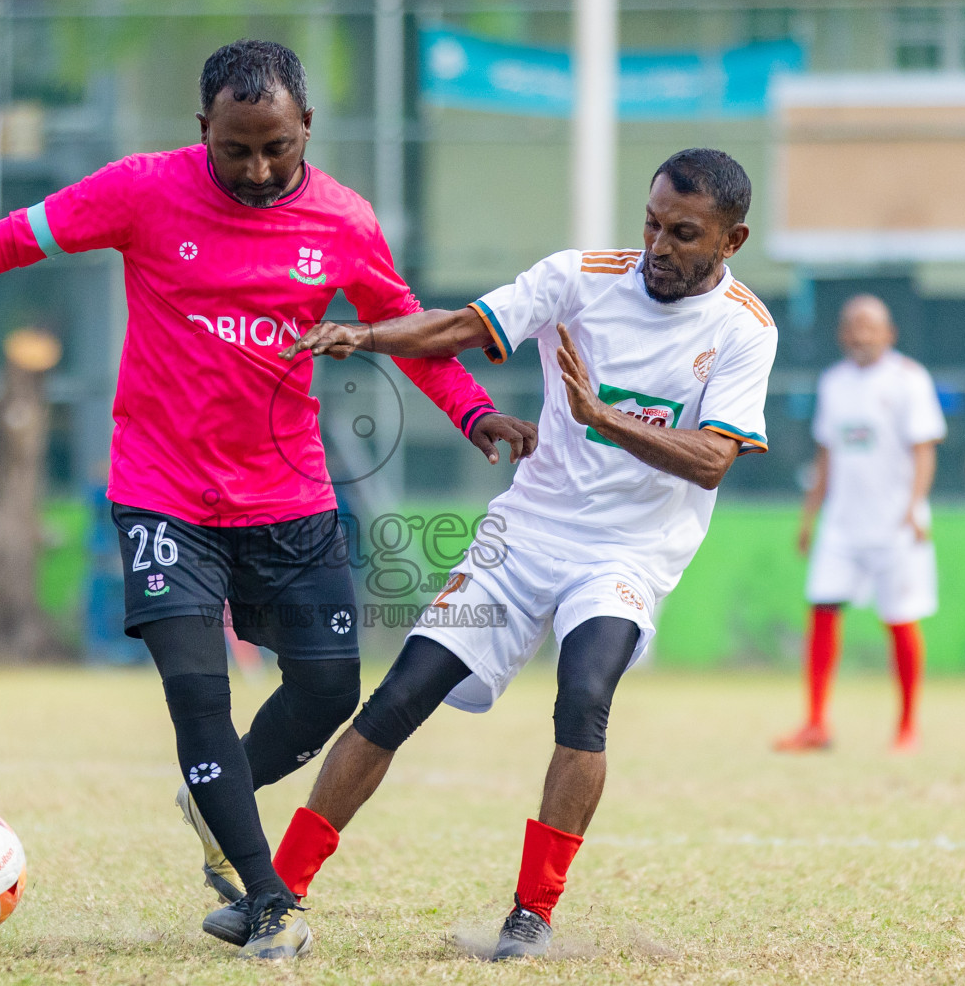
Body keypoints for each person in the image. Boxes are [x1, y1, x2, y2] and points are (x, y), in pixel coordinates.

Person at [0, 39, 536, 960]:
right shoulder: (142, 192)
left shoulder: (344, 222)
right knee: (196, 700)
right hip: (163, 494)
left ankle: (213, 791)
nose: (260, 167)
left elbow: (411, 335)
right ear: (203, 130)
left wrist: (474, 415)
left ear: (306, 126)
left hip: (290, 498)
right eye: (237, 149)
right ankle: (269, 902)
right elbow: (6, 241)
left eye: (277, 146)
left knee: (327, 692)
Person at [238, 148, 777, 959]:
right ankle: (277, 894)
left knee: (584, 695)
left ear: (731, 241)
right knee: (398, 699)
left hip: (629, 554)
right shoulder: (580, 277)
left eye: (684, 234)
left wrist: (602, 417)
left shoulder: (744, 329)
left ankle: (531, 916)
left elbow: (712, 459)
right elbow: (460, 327)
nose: (659, 247)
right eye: (652, 224)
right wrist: (364, 333)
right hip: (527, 533)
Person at [775, 295, 944, 754]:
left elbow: (924, 448)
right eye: (851, 326)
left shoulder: (909, 380)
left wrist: (914, 506)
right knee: (823, 611)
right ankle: (815, 723)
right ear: (840, 335)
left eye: (869, 326)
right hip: (842, 526)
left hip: (895, 525)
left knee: (900, 620)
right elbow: (826, 454)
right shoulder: (833, 383)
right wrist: (810, 517)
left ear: (888, 334)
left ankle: (908, 726)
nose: (860, 334)